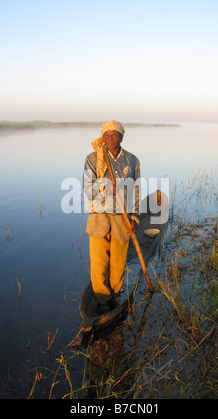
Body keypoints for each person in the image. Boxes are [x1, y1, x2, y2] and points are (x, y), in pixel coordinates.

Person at [83, 120, 141, 314]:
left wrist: (134, 218)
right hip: (99, 215)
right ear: (102, 137)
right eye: (106, 136)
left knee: (118, 261)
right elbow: (87, 189)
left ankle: (114, 295)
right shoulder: (93, 158)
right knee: (99, 261)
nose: (109, 139)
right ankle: (101, 299)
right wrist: (105, 186)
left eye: (114, 135)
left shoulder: (132, 160)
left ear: (121, 137)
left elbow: (137, 190)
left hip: (122, 216)